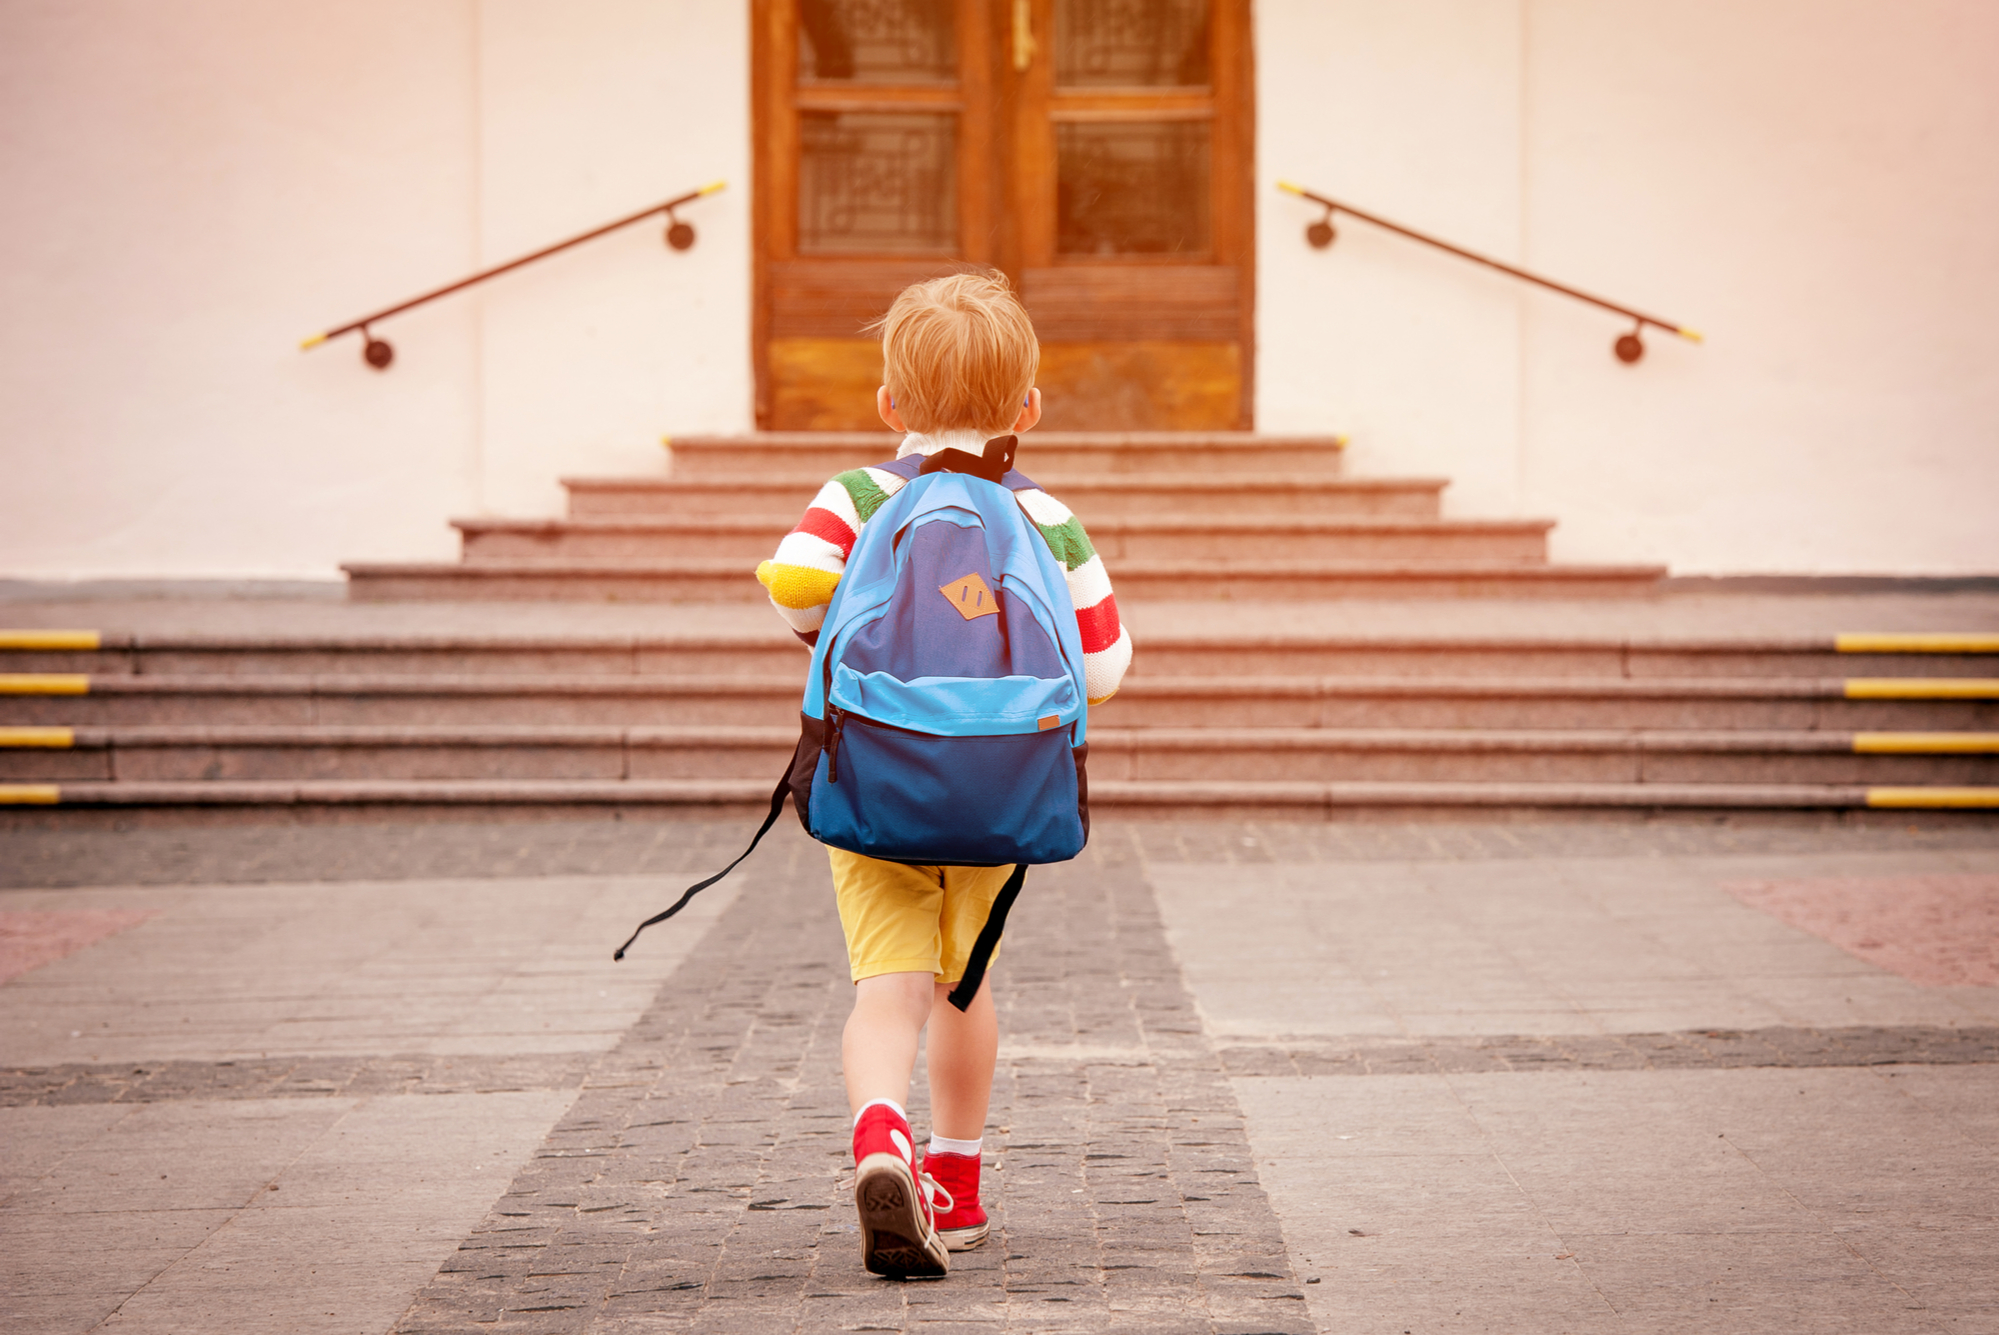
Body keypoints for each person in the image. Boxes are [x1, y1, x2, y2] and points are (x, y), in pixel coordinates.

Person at [755, 272, 1133, 1277]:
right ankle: (955, 1185)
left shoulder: (857, 494)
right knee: (964, 987)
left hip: (872, 779)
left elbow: (794, 582)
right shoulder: (1043, 514)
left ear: (887, 406)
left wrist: (828, 634)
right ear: (1027, 409)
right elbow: (1100, 665)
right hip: (998, 789)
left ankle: (880, 1133)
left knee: (885, 989)